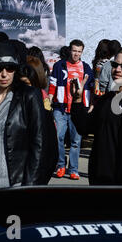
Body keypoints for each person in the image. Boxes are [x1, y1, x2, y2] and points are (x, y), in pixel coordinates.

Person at [0, 42, 52, 192]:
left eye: (10, 68)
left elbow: (39, 146)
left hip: (13, 188)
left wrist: (28, 188)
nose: (4, 74)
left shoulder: (28, 96)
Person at [71, 46, 122, 185]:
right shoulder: (106, 99)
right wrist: (77, 100)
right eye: (115, 64)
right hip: (99, 178)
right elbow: (84, 127)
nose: (117, 69)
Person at [48, 39, 94, 180]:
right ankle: (61, 165)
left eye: (79, 51)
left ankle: (73, 169)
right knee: (58, 138)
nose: (76, 54)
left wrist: (91, 104)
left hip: (78, 110)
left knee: (76, 141)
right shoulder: (59, 65)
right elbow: (53, 85)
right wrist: (49, 101)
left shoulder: (86, 68)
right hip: (60, 107)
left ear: (82, 52)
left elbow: (91, 87)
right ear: (69, 50)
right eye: (74, 50)